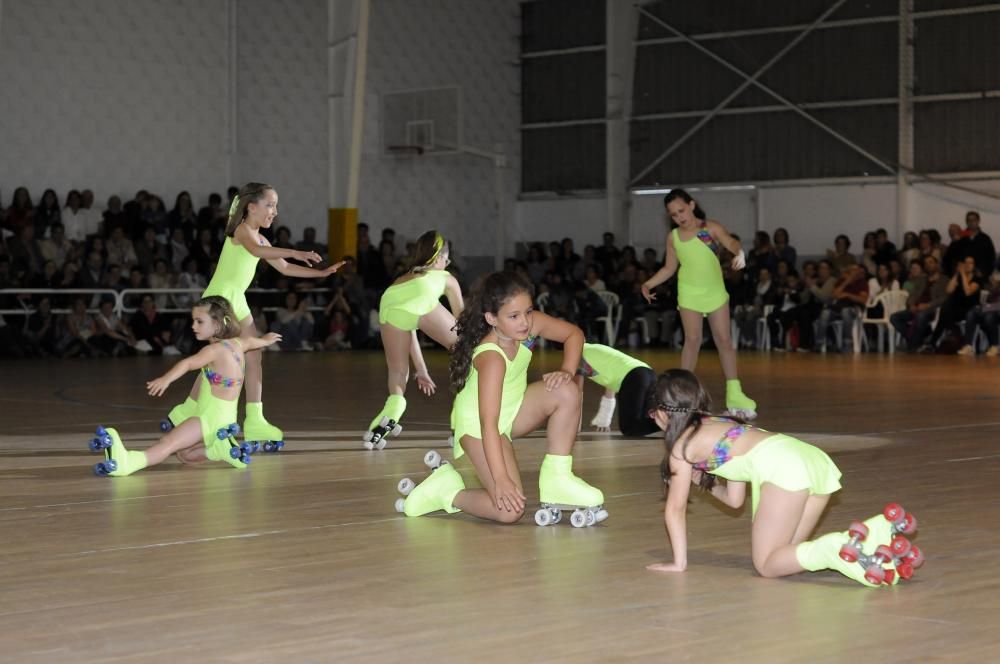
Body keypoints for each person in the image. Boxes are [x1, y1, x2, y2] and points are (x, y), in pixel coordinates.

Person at [644, 369, 922, 587]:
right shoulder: (722, 422)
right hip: (810, 459)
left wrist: (678, 562)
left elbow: (675, 508)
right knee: (787, 558)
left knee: (766, 565)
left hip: (783, 468)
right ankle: (874, 538)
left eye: (652, 415)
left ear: (661, 412)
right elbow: (734, 500)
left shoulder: (681, 448)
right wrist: (706, 483)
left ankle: (836, 547)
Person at [396, 272, 605, 526]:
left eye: (528, 312)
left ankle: (557, 479)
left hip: (512, 411)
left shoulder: (527, 327)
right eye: (514, 316)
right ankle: (447, 492)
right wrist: (501, 478)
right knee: (509, 512)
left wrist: (567, 371)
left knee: (567, 389)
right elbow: (488, 424)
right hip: (479, 429)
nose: (525, 322)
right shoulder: (491, 358)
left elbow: (574, 334)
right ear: (491, 318)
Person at [163, 183, 344, 445]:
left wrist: (321, 273)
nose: (275, 211)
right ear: (252, 207)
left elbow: (285, 269)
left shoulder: (261, 238)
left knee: (254, 356)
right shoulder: (242, 231)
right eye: (270, 205)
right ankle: (190, 410)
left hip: (236, 298)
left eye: (276, 206)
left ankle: (254, 420)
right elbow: (257, 252)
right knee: (222, 359)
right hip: (220, 299)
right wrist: (296, 251)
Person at [87, 296, 281, 477]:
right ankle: (219, 449)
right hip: (225, 420)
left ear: (217, 324)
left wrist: (166, 379)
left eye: (199, 321)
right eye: (193, 320)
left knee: (168, 443)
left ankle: (127, 463)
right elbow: (252, 341)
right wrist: (266, 340)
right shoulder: (238, 343)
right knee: (184, 455)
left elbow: (187, 364)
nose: (193, 326)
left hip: (208, 418)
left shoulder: (213, 350)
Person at [640, 189, 757, 418]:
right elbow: (669, 268)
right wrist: (648, 284)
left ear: (692, 205)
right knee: (692, 340)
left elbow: (731, 242)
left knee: (724, 341)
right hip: (689, 293)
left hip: (715, 292)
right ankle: (681, 396)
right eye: (673, 215)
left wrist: (740, 253)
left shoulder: (708, 229)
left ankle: (735, 394)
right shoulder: (673, 237)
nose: (679, 217)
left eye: (681, 210)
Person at [365, 231, 463, 448]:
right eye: (446, 258)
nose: (447, 263)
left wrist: (421, 369)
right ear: (439, 257)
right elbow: (461, 321)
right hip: (419, 297)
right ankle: (462, 425)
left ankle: (389, 416)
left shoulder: (405, 276)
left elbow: (410, 324)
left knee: (398, 372)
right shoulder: (445, 277)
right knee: (466, 351)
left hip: (389, 304)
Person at [578, 343, 658, 436]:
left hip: (634, 378)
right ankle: (670, 420)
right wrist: (604, 418)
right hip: (648, 374)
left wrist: (575, 428)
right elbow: (610, 382)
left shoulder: (578, 356)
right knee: (642, 421)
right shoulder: (592, 349)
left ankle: (670, 422)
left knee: (629, 429)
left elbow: (576, 394)